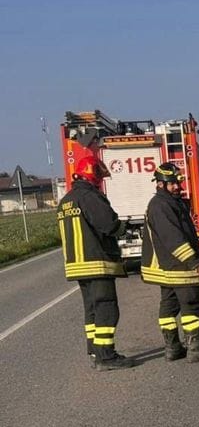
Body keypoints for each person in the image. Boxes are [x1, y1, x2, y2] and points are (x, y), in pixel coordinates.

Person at [57, 155, 134, 371]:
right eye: (99, 174)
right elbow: (109, 224)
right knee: (107, 308)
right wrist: (122, 228)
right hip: (97, 262)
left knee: (91, 310)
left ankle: (93, 351)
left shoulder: (66, 200)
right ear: (92, 173)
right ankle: (106, 357)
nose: (100, 179)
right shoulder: (90, 197)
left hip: (76, 265)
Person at [141, 162, 199, 363]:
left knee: (168, 307)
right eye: (172, 184)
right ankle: (195, 349)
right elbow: (173, 238)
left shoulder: (167, 203)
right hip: (179, 266)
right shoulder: (161, 205)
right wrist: (193, 260)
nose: (177, 187)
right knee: (190, 305)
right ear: (160, 184)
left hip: (167, 267)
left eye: (178, 182)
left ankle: (173, 348)